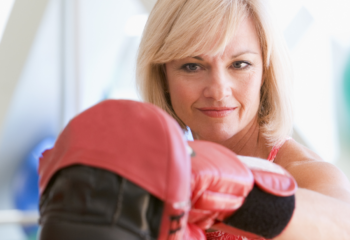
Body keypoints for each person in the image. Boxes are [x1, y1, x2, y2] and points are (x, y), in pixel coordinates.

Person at [136, 0, 350, 239]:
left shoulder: (307, 175)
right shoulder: (153, 179)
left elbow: (343, 223)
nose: (218, 91)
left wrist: (230, 193)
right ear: (163, 77)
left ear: (265, 73)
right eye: (192, 66)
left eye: (239, 64)